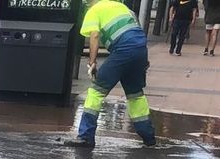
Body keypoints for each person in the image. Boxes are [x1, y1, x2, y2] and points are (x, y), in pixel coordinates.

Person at [66, 0, 156, 148]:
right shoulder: (121, 7)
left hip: (123, 50)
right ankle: (148, 137)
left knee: (96, 92)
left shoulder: (94, 11)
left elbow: (94, 35)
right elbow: (136, 29)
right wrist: (143, 59)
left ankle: (86, 136)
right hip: (140, 48)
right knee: (135, 95)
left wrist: (92, 62)